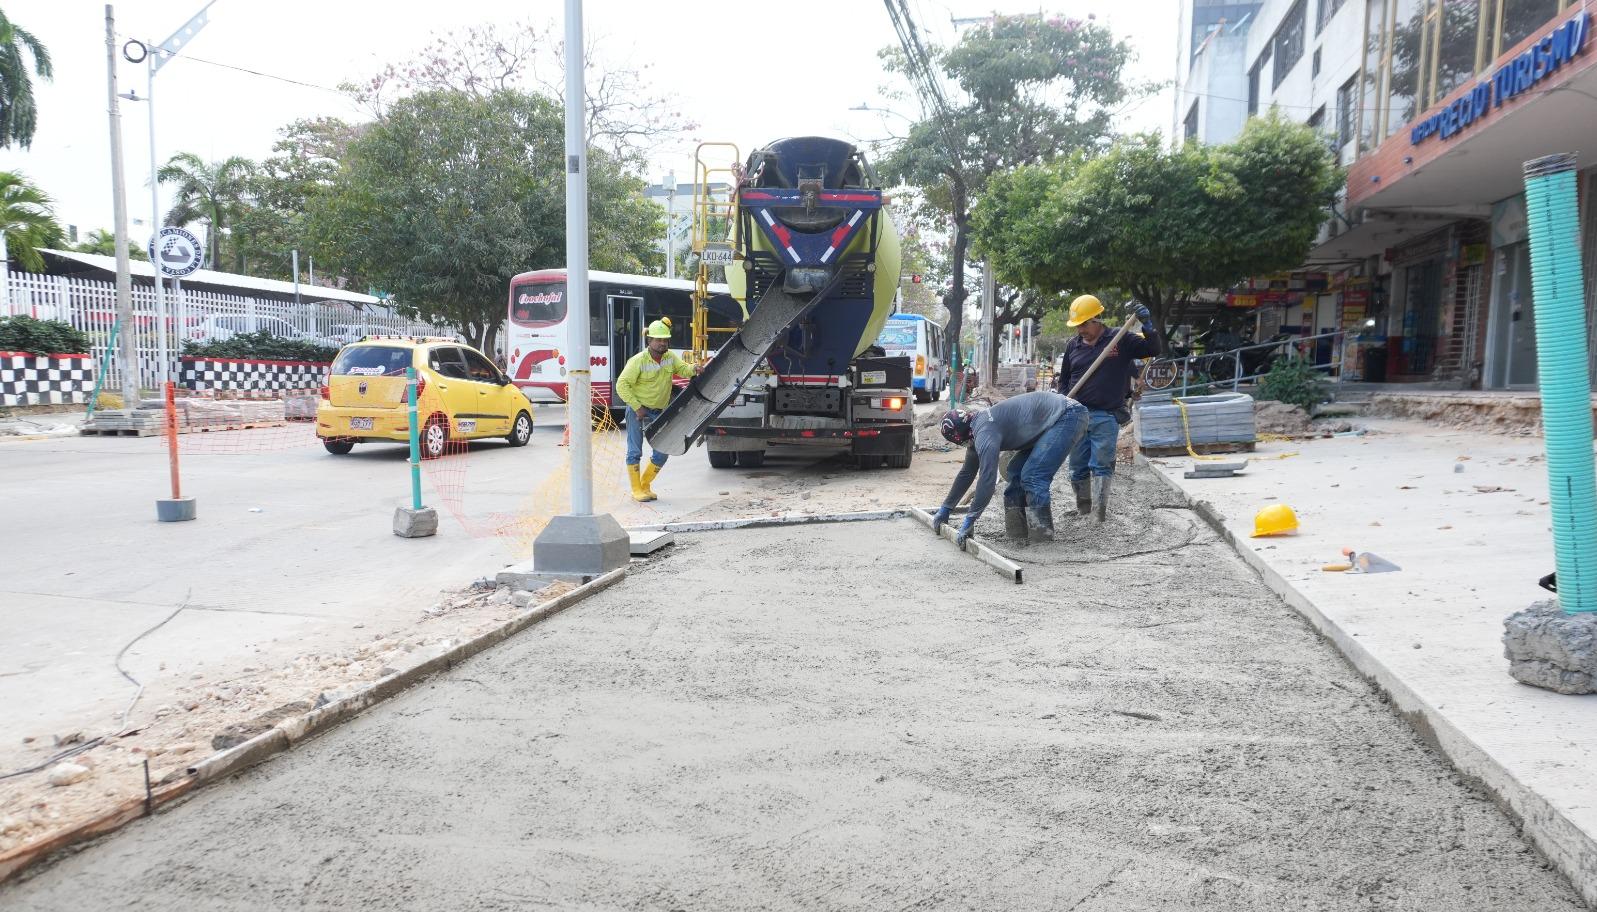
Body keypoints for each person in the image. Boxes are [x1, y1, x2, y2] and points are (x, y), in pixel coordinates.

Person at [931, 390, 1088, 545]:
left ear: (964, 435)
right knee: (1015, 472)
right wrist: (946, 507)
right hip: (1051, 418)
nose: (965, 445)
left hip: (1067, 415)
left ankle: (1042, 540)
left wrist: (971, 518)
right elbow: (967, 473)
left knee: (1033, 475)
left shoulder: (985, 432)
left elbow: (987, 479)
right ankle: (1017, 536)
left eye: (961, 441)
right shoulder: (976, 427)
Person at [1055, 295, 1162, 521]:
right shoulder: (1073, 345)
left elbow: (1153, 348)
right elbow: (1064, 381)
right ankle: (1083, 509)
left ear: (1096, 319)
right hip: (1076, 416)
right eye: (1077, 325)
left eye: (1084, 324)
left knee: (1101, 464)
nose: (1080, 330)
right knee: (1076, 466)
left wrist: (1148, 325)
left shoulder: (1119, 339)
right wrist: (1062, 402)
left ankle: (1098, 514)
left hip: (1105, 415)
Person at [615, 317, 695, 502]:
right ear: (649, 341)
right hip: (638, 411)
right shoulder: (638, 361)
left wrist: (695, 369)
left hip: (660, 411)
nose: (662, 343)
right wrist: (637, 407)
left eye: (665, 339)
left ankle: (644, 485)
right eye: (658, 339)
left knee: (662, 452)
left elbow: (683, 370)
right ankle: (636, 490)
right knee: (635, 451)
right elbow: (622, 385)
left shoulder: (669, 358)